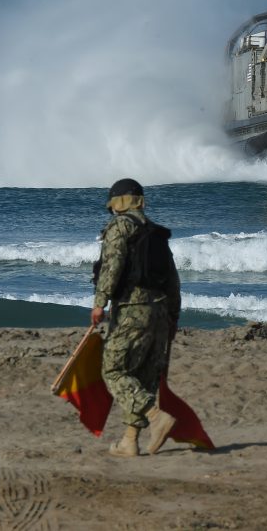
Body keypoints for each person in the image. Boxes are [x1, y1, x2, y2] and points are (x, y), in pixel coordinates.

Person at [91, 178, 182, 457]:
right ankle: (130, 441)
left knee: (114, 370)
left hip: (131, 311)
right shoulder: (154, 232)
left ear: (117, 204)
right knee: (142, 376)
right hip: (159, 312)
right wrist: (173, 316)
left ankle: (156, 417)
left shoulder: (120, 228)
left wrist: (99, 303)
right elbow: (173, 279)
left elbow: (112, 265)